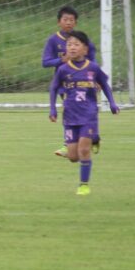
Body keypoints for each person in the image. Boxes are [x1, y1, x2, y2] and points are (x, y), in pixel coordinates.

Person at [49, 31, 119, 196]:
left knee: (84, 151)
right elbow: (53, 88)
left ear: (85, 49)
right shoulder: (63, 69)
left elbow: (104, 84)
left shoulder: (93, 68)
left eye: (76, 44)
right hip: (70, 116)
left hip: (89, 115)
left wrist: (112, 103)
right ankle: (95, 139)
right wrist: (52, 108)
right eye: (69, 45)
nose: (72, 48)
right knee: (73, 157)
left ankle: (83, 185)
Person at [41, 6, 98, 156]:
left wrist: (95, 77)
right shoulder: (53, 40)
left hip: (84, 84)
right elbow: (45, 62)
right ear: (59, 22)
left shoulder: (82, 40)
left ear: (76, 22)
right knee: (70, 110)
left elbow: (93, 58)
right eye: (65, 20)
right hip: (64, 84)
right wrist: (61, 60)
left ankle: (89, 136)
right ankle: (70, 144)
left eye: (71, 20)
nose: (68, 23)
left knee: (84, 110)